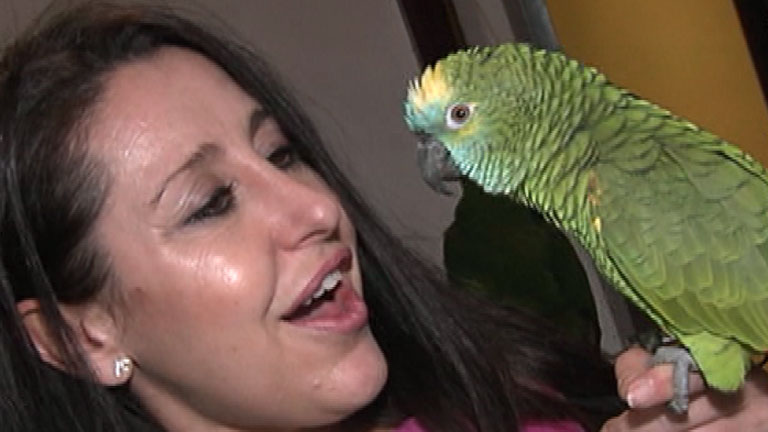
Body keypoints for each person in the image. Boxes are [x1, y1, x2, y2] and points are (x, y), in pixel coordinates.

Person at [0, 2, 765, 431]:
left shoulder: (510, 399)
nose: (317, 206)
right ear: (80, 337)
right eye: (208, 204)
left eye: (283, 153)